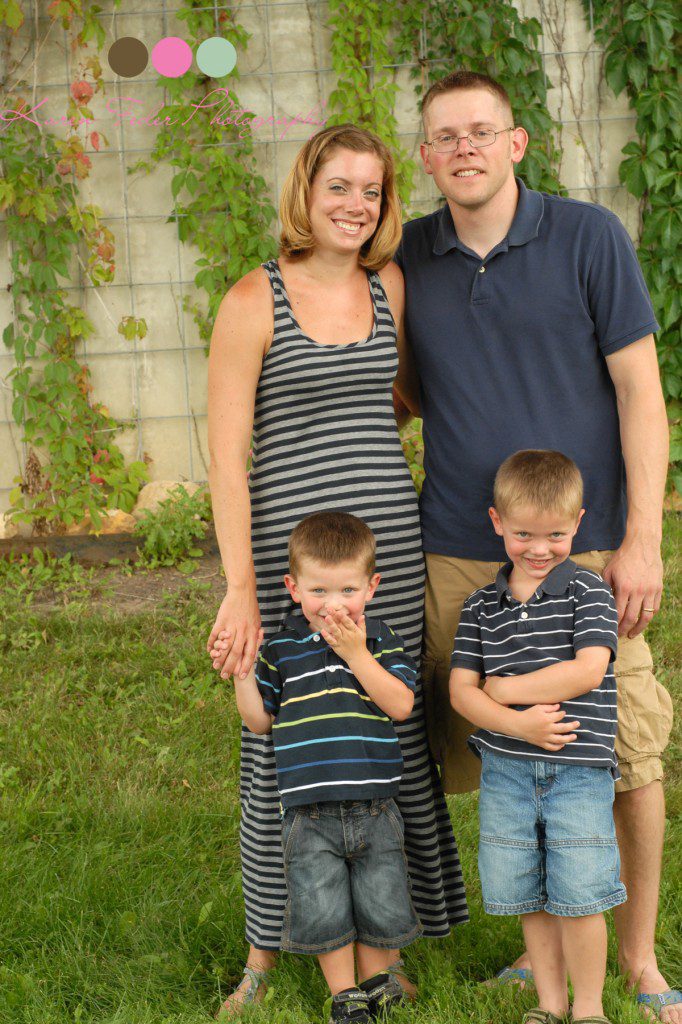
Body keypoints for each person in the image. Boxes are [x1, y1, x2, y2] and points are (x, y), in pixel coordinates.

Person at [394, 70, 677, 1020]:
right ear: (426, 156)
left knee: (622, 750)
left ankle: (637, 956)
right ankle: (544, 948)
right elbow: (401, 388)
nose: (464, 148)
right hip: (460, 548)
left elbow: (641, 392)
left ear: (516, 143)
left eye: (482, 131)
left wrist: (642, 538)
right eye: (445, 136)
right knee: (504, 751)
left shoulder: (588, 236)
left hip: (584, 545)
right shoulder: (410, 256)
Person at [206, 123, 468, 1017]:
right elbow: (226, 461)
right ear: (305, 193)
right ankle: (266, 949)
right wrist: (242, 588)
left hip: (383, 543)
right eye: (339, 187)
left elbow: (400, 400)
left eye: (372, 190)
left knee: (388, 730)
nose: (356, 206)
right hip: (291, 556)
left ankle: (390, 945)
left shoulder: (387, 285)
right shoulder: (254, 299)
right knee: (284, 738)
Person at [451, 450, 625, 1024]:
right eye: (523, 534)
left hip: (577, 771)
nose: (539, 548)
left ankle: (590, 1009)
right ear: (497, 522)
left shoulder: (588, 591)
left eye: (555, 534)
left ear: (578, 523)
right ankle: (550, 1003)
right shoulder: (481, 606)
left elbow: (588, 670)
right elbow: (461, 692)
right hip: (507, 772)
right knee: (527, 892)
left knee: (580, 893)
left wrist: (506, 691)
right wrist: (518, 723)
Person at [233, 512, 423, 1024]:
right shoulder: (282, 650)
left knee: (382, 897)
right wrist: (242, 673)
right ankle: (346, 995)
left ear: (372, 587)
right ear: (293, 588)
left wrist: (357, 654)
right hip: (308, 812)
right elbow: (259, 722)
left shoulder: (381, 640)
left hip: (376, 806)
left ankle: (379, 982)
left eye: (347, 590)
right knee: (321, 904)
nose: (333, 604)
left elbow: (401, 705)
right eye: (318, 590)